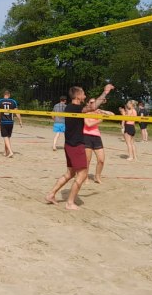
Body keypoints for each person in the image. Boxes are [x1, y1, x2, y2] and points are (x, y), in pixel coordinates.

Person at [45, 82, 114, 210]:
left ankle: (51, 194)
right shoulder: (74, 108)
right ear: (77, 96)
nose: (85, 95)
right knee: (82, 174)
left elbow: (92, 107)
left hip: (70, 144)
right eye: (83, 93)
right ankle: (70, 202)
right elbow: (92, 108)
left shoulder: (71, 107)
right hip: (76, 145)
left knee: (70, 173)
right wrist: (105, 92)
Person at [83, 104, 112, 183]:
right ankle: (85, 177)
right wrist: (99, 120)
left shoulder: (98, 113)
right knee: (87, 160)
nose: (93, 105)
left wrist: (102, 111)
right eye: (91, 103)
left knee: (101, 160)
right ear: (88, 104)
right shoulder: (86, 113)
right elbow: (88, 124)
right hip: (86, 136)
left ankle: (97, 176)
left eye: (95, 103)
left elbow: (112, 115)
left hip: (97, 137)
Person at [0, 89, 22, 158]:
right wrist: (20, 121)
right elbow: (17, 112)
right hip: (11, 122)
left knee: (5, 137)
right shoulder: (13, 101)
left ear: (4, 95)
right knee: (7, 137)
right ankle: (6, 152)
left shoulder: (0, 101)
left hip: (3, 121)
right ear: (9, 95)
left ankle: (10, 152)